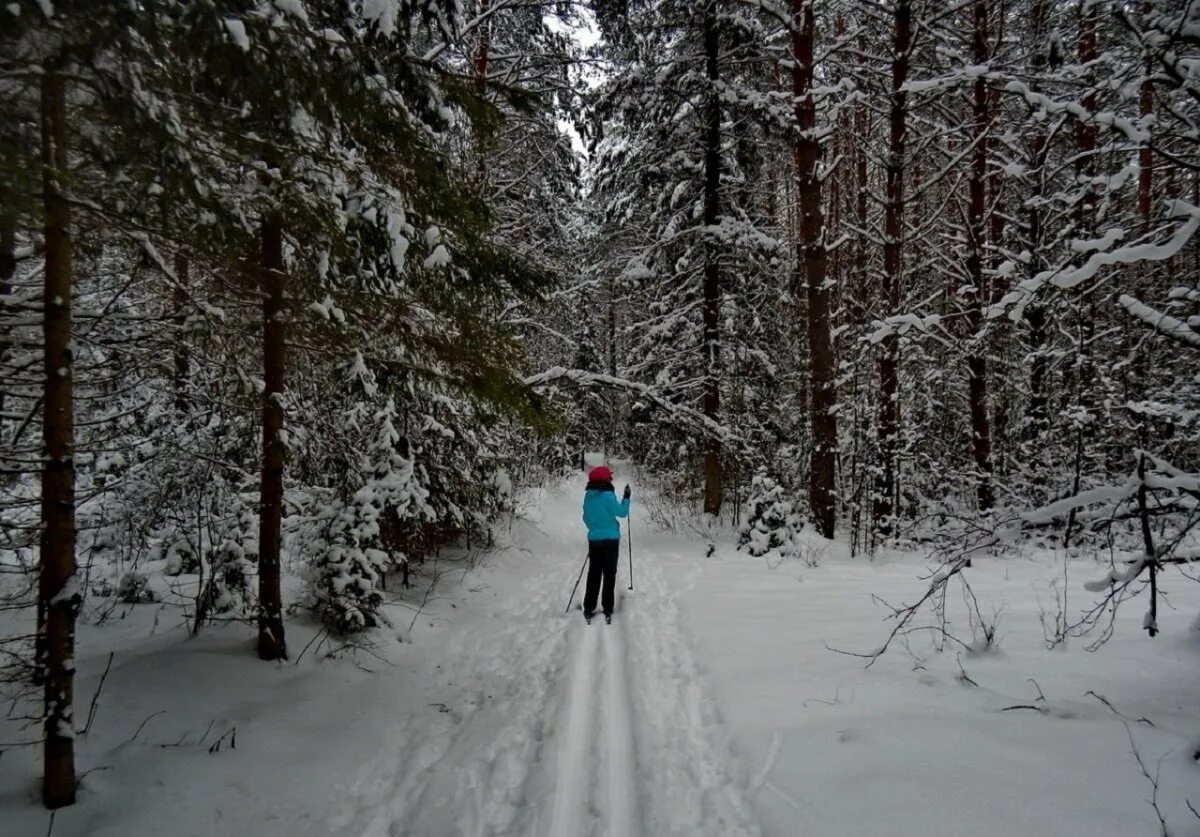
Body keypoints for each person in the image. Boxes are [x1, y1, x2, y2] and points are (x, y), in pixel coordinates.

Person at [580, 465, 631, 624]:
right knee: (609, 574)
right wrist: (626, 498)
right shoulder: (608, 495)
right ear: (604, 480)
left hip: (594, 540)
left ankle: (589, 607)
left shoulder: (588, 496)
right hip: (611, 540)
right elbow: (622, 513)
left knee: (593, 574)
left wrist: (595, 528)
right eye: (609, 477)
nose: (611, 479)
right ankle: (607, 608)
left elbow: (586, 517)